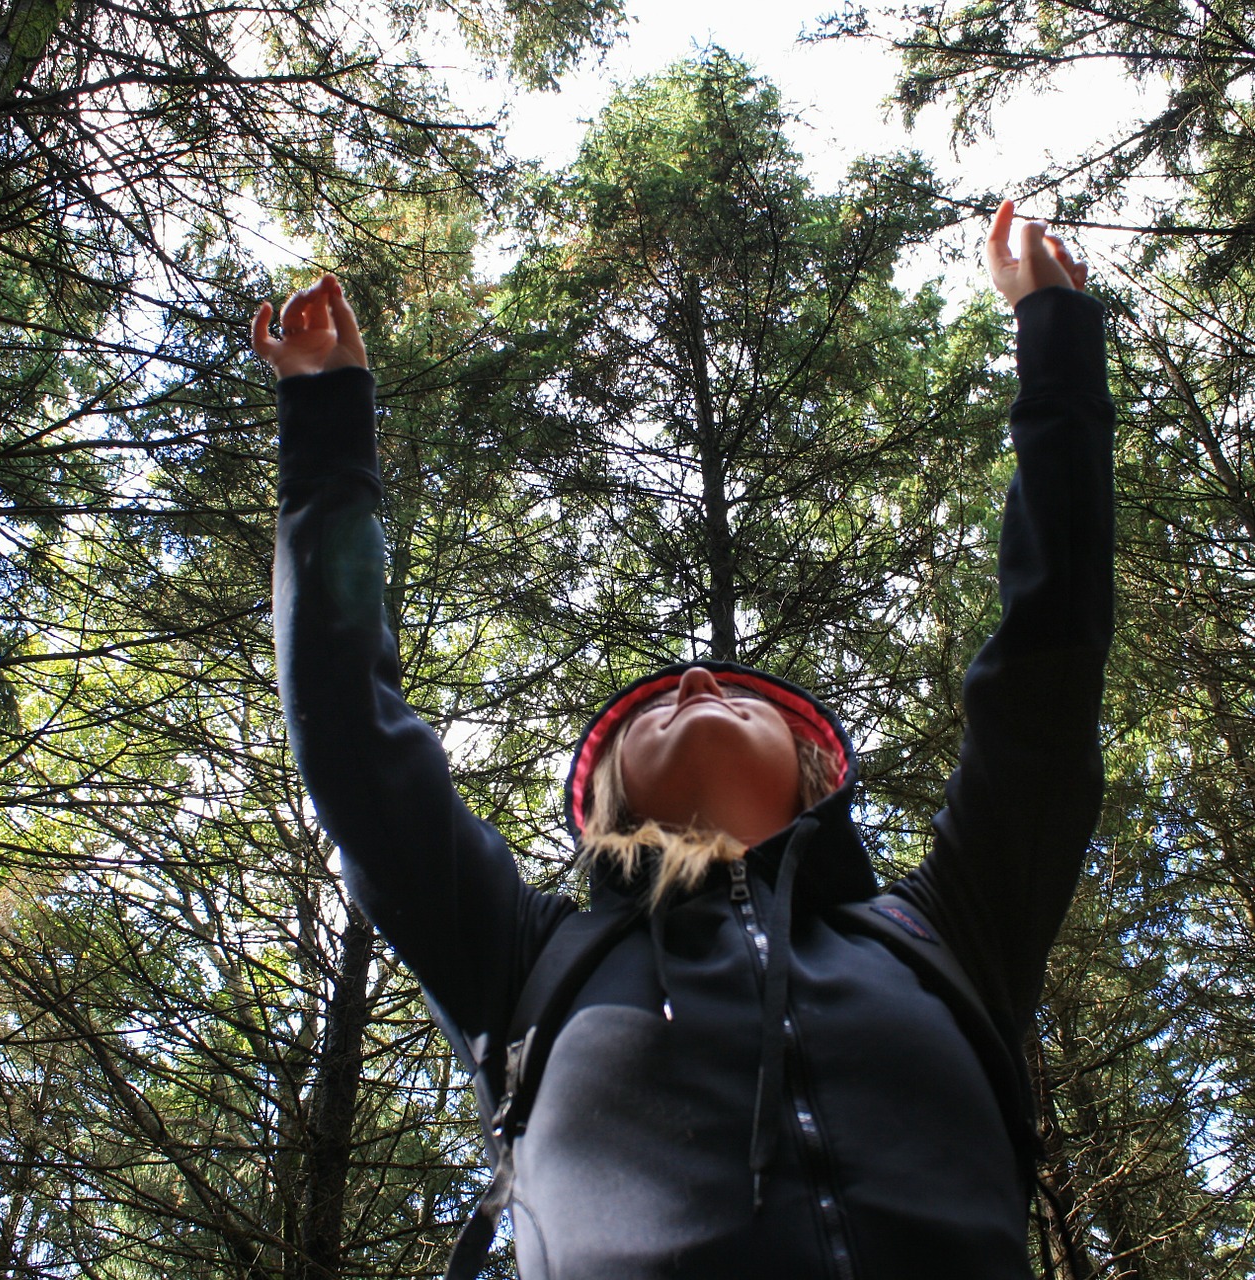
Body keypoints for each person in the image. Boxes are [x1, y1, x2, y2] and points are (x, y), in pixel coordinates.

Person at [255, 198, 1114, 1279]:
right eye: (653, 701)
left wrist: (1058, 346)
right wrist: (326, 423)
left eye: (742, 691)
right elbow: (350, 731)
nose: (701, 677)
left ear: (817, 776)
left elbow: (1053, 659)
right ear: (607, 794)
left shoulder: (948, 932)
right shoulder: (524, 959)